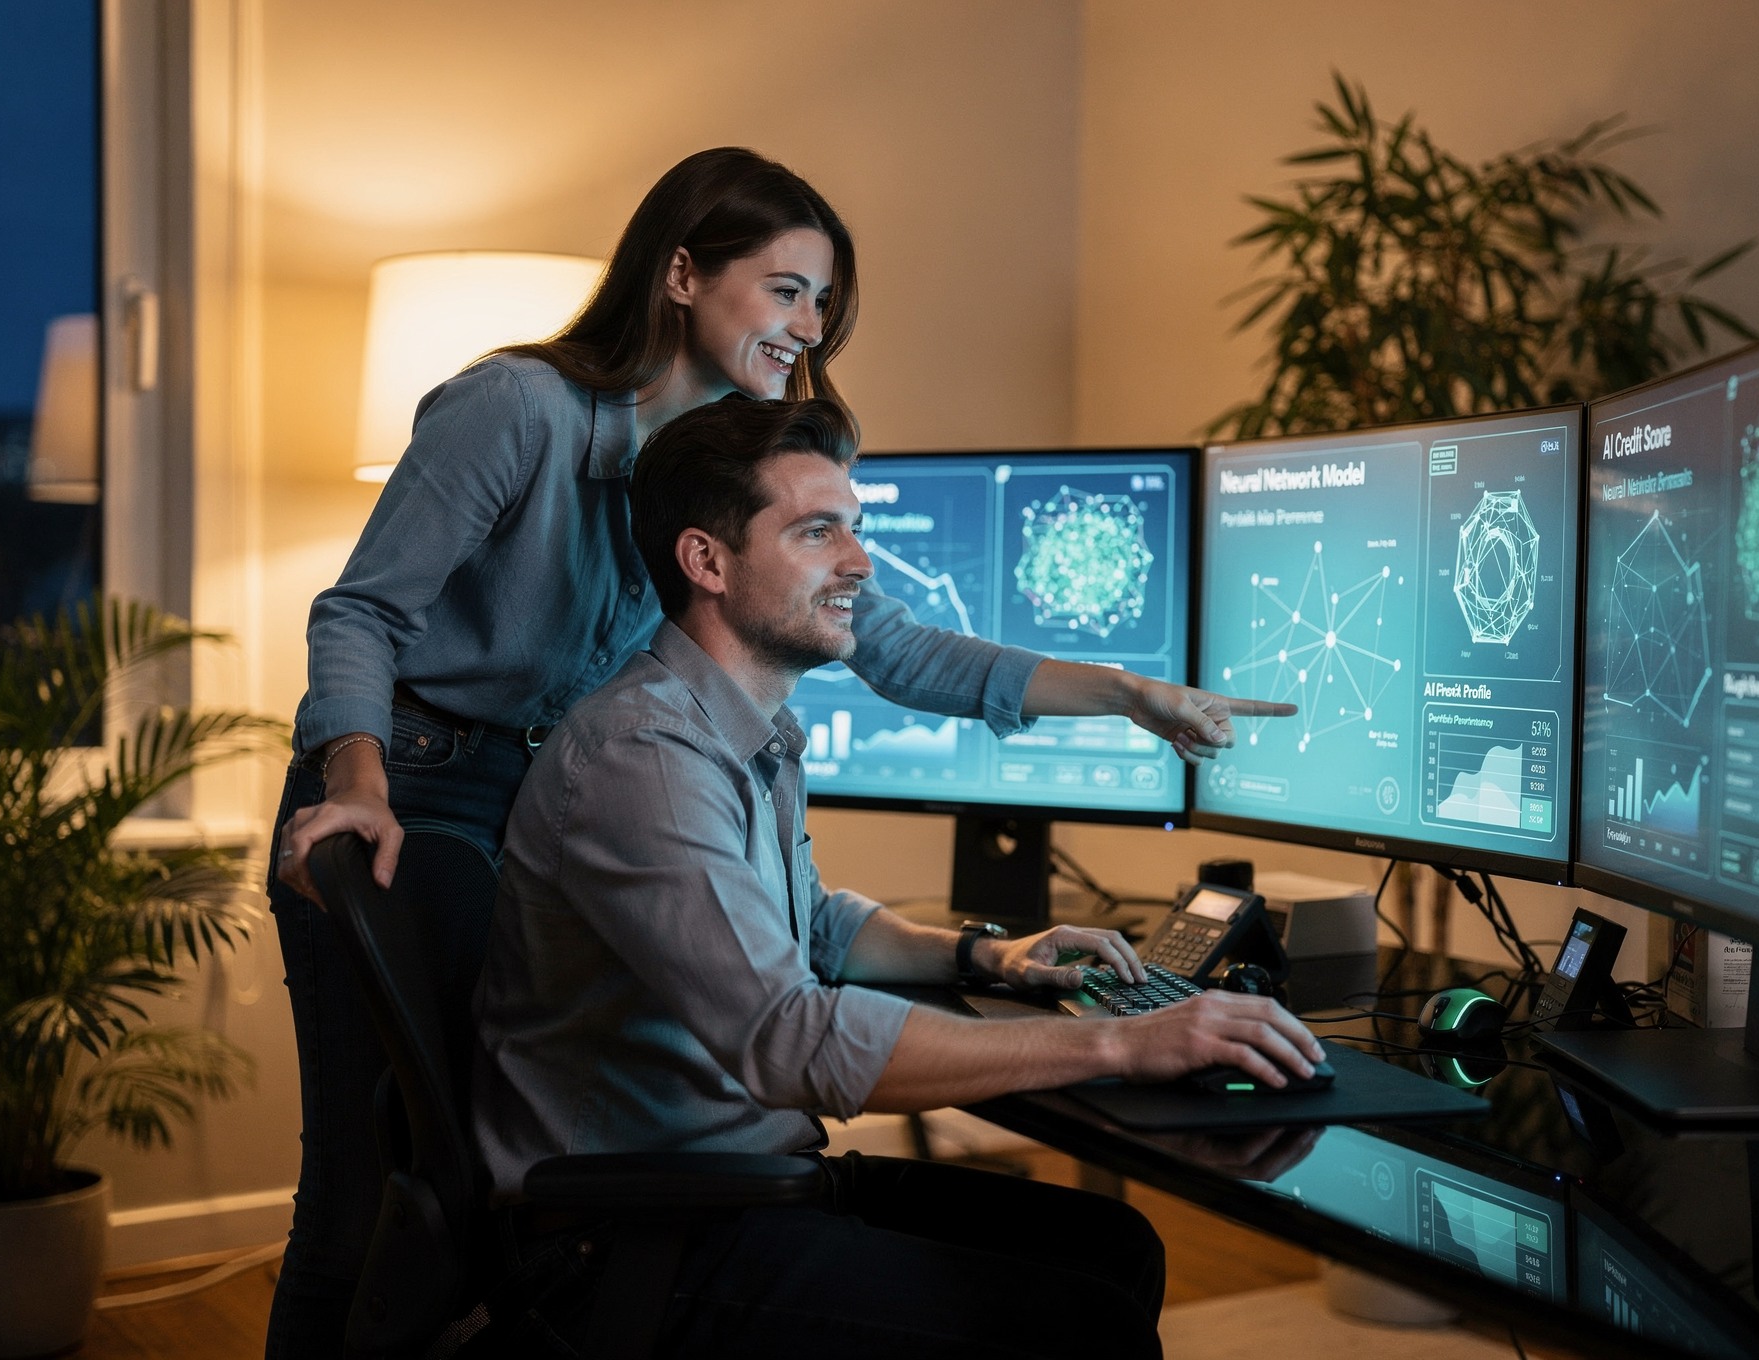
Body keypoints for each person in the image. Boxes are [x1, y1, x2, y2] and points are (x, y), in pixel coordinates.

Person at [265, 147, 1293, 1355]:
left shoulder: (716, 507)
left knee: (492, 1129)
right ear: (683, 273)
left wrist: (1125, 694)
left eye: (822, 304)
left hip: (549, 778)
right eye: (788, 290)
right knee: (373, 1190)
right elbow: (360, 615)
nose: (807, 327)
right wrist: (358, 781)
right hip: (416, 775)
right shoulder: (520, 412)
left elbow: (894, 648)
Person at [473, 396, 1325, 1358]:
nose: (861, 565)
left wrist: (989, 956)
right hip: (635, 1234)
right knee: (1082, 1327)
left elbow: (813, 927)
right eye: (817, 532)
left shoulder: (738, 726)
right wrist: (1126, 1047)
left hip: (738, 1181)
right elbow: (789, 1041)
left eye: (857, 529)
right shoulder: (647, 758)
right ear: (706, 561)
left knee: (1110, 1247)